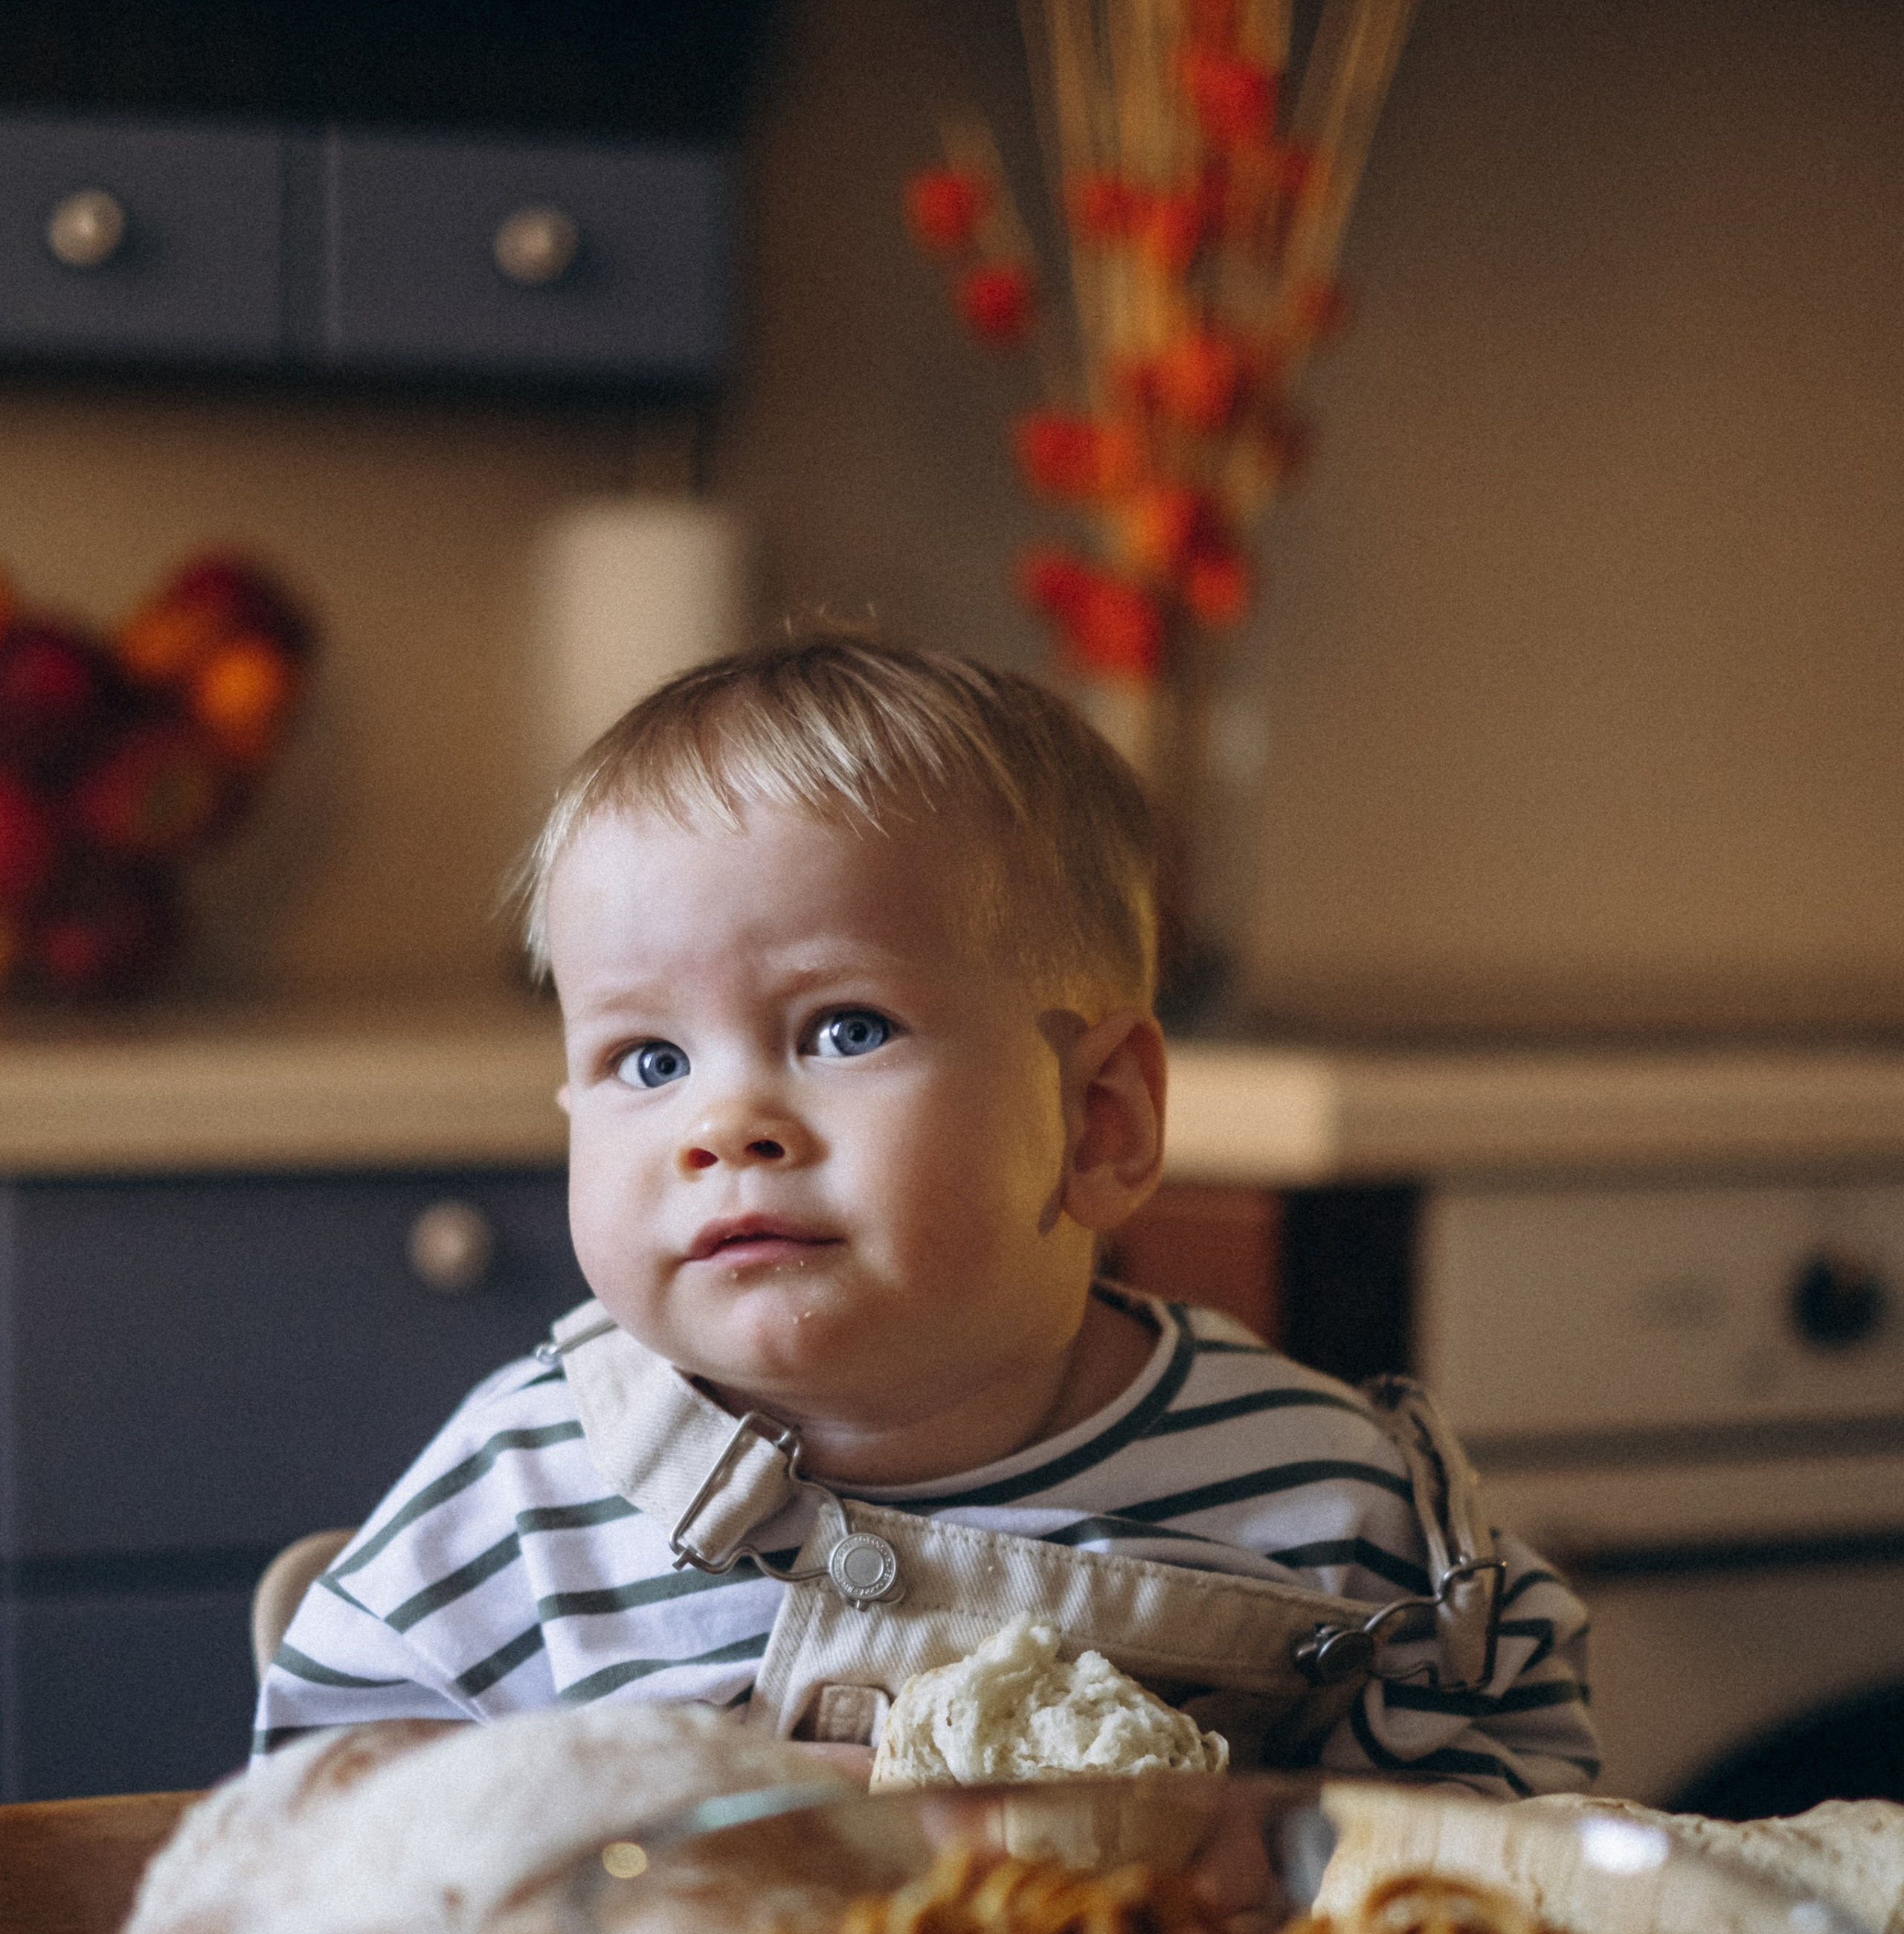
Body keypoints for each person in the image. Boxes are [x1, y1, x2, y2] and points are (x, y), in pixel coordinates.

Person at [254, 634, 1595, 1796]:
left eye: (845, 1028)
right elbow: (314, 1825)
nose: (725, 1124)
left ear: (1100, 1120)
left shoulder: (1317, 1496)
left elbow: (1510, 1803)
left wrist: (1270, 1859)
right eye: (648, 1060)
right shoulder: (526, 1493)